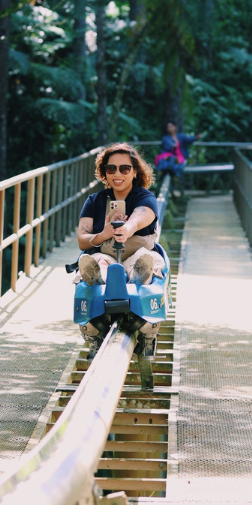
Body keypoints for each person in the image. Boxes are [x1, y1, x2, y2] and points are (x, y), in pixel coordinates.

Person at [75, 143, 164, 353]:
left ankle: (138, 277)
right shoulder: (94, 201)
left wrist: (128, 228)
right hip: (105, 255)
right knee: (98, 261)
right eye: (111, 168)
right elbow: (82, 239)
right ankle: (98, 279)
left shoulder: (144, 197)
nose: (117, 174)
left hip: (135, 253)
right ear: (104, 172)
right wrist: (105, 234)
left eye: (124, 169)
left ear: (134, 172)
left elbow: (142, 215)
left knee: (143, 258)